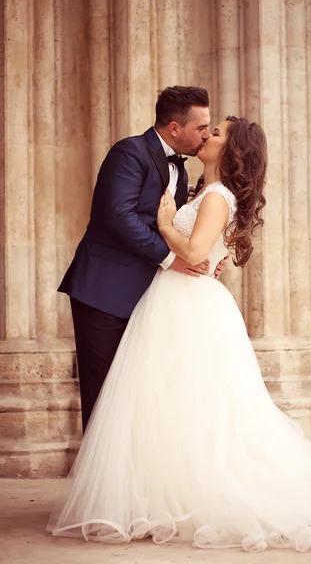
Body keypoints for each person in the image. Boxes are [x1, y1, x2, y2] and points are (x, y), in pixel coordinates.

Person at [48, 117, 311, 552]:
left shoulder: (216, 196)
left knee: (195, 403)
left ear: (231, 152)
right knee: (172, 402)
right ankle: (161, 494)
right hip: (176, 300)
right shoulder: (202, 191)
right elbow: (207, 251)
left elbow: (193, 253)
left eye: (216, 133)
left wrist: (165, 225)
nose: (207, 135)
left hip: (186, 302)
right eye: (207, 129)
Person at [58, 86, 227, 432]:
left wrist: (209, 256)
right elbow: (117, 216)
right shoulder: (130, 152)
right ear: (174, 128)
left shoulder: (183, 169)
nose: (206, 134)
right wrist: (171, 259)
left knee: (138, 395)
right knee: (105, 394)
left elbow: (178, 225)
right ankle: (103, 484)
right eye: (201, 127)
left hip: (149, 300)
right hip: (104, 291)